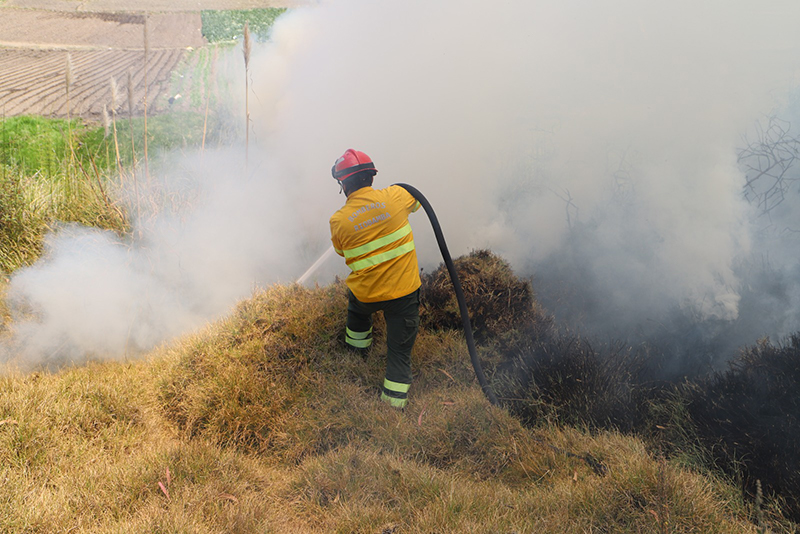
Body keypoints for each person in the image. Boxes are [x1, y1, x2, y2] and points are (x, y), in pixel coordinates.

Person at [329, 148, 421, 409]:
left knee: (356, 311)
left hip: (367, 295)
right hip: (403, 296)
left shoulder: (339, 220)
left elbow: (341, 250)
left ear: (343, 185)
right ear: (371, 176)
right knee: (399, 354)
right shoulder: (396, 195)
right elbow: (416, 204)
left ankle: (357, 354)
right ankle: (393, 406)